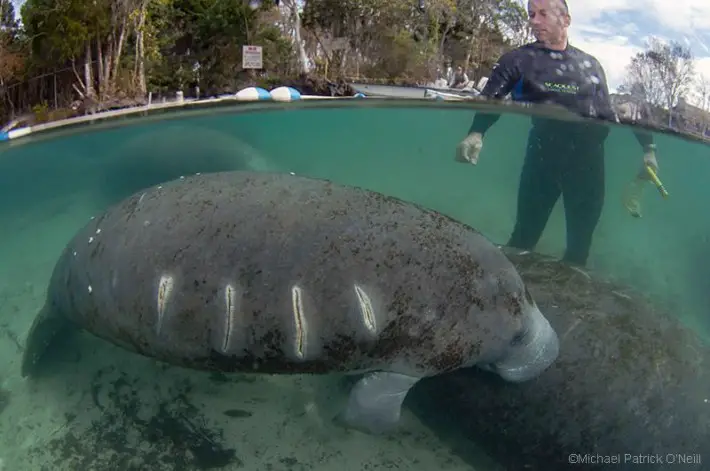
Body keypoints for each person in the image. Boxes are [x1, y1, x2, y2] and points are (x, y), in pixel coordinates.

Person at [455, 0, 659, 267]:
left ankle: (562, 302)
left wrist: (648, 150)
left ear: (566, 19)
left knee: (579, 246)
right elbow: (491, 98)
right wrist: (476, 132)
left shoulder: (590, 66)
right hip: (543, 158)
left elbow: (610, 114)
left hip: (588, 164)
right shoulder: (519, 60)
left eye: (542, 14)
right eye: (531, 14)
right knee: (524, 237)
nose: (534, 21)